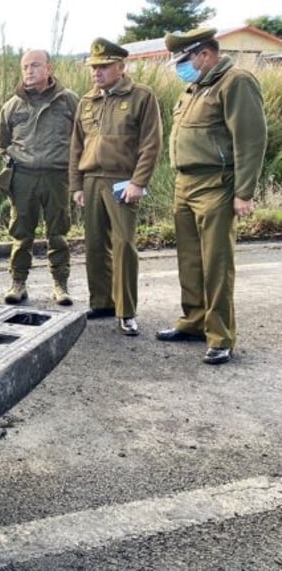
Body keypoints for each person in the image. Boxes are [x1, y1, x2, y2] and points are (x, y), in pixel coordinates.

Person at [156, 28, 267, 365]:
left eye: (184, 59)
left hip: (216, 185)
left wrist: (244, 192)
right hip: (185, 184)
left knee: (216, 264)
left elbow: (251, 140)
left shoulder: (235, 82)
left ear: (205, 54)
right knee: (190, 260)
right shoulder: (194, 88)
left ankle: (220, 336)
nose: (180, 67)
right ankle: (193, 322)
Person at [69, 38, 162, 336]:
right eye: (94, 67)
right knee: (95, 245)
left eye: (104, 67)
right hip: (92, 180)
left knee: (123, 245)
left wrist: (139, 182)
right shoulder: (87, 101)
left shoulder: (141, 97)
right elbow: (76, 147)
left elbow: (151, 144)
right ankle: (102, 302)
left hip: (123, 181)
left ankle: (126, 310)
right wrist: (77, 185)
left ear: (121, 67)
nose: (97, 72)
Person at [0, 49, 79, 306]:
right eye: (25, 67)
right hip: (24, 178)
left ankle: (60, 285)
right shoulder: (12, 106)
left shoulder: (69, 102)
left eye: (35, 65)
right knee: (22, 234)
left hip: (58, 177)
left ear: (49, 68)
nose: (29, 71)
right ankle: (18, 283)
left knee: (58, 233)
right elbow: (2, 142)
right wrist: (15, 163)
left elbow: (82, 138)